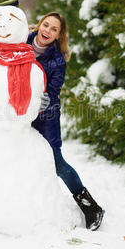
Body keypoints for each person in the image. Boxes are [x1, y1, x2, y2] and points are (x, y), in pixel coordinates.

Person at [27, 12, 105, 231]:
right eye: (46, 25)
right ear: (39, 25)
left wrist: (41, 102)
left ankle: (91, 208)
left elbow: (53, 91)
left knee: (56, 162)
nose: (48, 31)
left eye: (54, 29)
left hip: (46, 116)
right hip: (18, 113)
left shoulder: (57, 60)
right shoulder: (20, 43)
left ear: (59, 36)